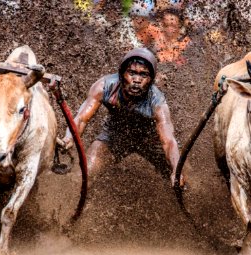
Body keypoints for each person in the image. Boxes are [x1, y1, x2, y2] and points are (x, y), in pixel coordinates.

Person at [61, 48, 185, 188]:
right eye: (132, 73)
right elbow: (81, 118)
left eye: (143, 75)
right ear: (121, 74)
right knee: (83, 176)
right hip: (114, 136)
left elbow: (168, 142)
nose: (137, 80)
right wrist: (69, 138)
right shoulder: (104, 86)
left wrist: (176, 170)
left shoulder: (157, 102)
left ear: (151, 80)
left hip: (150, 141)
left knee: (180, 178)